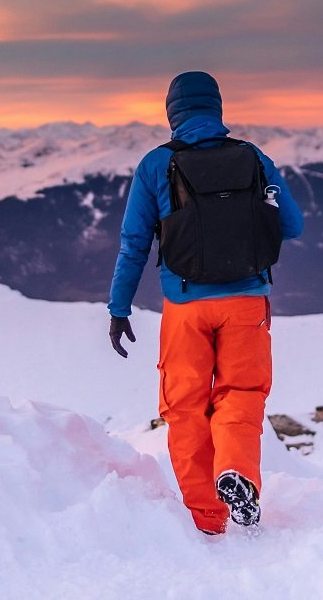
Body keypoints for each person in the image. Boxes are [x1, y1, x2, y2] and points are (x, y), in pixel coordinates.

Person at [107, 71, 304, 535]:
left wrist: (119, 308)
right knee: (241, 394)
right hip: (247, 301)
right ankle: (236, 472)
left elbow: (134, 244)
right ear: (217, 107)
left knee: (186, 406)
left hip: (185, 305)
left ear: (171, 113)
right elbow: (292, 225)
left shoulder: (157, 164)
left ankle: (207, 518)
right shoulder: (253, 157)